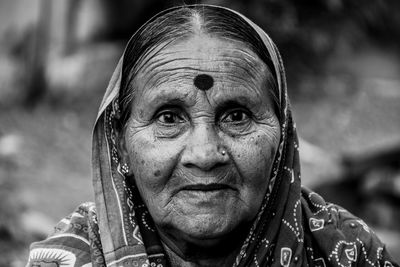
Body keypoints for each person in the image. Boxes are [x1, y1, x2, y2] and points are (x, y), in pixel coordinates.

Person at [26, 5, 398, 267]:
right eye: (168, 117)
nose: (204, 154)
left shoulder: (346, 251)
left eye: (236, 116)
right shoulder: (70, 259)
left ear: (282, 139)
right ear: (120, 144)